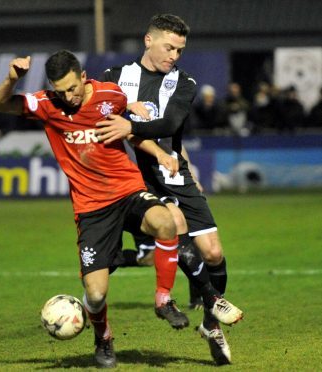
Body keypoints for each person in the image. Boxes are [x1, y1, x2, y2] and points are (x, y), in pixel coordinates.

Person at [0, 50, 190, 368]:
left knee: (166, 222)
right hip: (91, 208)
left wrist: (160, 154)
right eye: (60, 91)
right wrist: (12, 79)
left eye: (72, 88)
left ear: (83, 77)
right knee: (95, 296)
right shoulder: (47, 104)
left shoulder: (111, 95)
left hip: (127, 191)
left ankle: (163, 299)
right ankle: (104, 337)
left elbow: (129, 132)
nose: (67, 97)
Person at [96, 14, 243, 365]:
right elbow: (97, 113)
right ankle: (189, 300)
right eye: (169, 47)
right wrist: (120, 108)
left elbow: (170, 123)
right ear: (148, 40)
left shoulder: (184, 82)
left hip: (175, 173)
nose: (175, 55)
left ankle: (210, 324)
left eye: (180, 49)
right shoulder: (114, 78)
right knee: (171, 223)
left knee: (214, 253)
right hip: (133, 179)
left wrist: (128, 119)